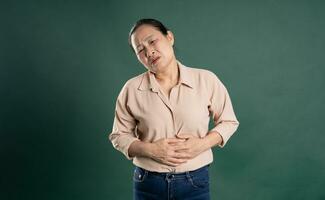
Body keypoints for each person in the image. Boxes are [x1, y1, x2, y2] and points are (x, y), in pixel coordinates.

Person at [109, 18, 239, 200]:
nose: (149, 51)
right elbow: (118, 135)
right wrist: (151, 150)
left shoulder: (206, 80)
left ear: (169, 37)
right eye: (140, 50)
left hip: (195, 181)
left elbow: (229, 121)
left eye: (152, 41)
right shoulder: (131, 89)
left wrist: (202, 144)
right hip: (148, 182)